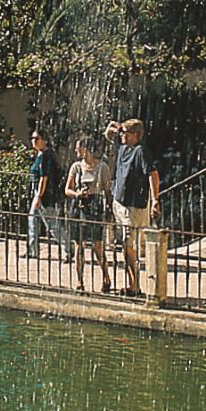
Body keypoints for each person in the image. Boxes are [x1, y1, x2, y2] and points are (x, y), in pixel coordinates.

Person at [108, 117, 162, 294]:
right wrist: (117, 127)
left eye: (126, 133)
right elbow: (107, 133)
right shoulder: (123, 146)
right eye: (122, 133)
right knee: (126, 244)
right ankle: (133, 283)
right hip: (120, 202)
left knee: (129, 244)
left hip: (134, 205)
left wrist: (155, 200)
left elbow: (152, 175)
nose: (122, 135)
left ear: (136, 135)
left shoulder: (141, 151)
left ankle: (135, 284)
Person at [65, 136, 113, 292]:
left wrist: (109, 210)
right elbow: (67, 189)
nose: (76, 150)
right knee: (79, 245)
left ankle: (106, 277)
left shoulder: (102, 167)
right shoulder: (76, 167)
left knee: (97, 245)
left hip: (94, 205)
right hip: (78, 205)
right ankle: (79, 281)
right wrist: (77, 194)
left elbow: (107, 190)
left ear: (86, 149)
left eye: (79, 147)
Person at [24, 130, 73, 261]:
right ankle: (32, 250)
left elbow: (44, 178)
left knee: (52, 224)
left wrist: (39, 197)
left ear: (44, 140)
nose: (33, 141)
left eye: (37, 138)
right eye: (32, 138)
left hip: (44, 195)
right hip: (39, 193)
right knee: (32, 220)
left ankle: (67, 250)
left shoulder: (46, 156)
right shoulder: (41, 155)